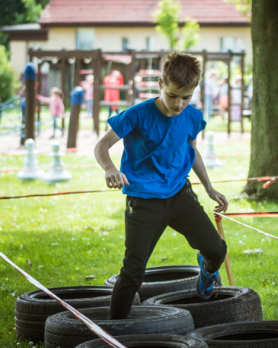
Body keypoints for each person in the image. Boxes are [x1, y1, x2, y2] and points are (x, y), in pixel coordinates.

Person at [94, 51, 229, 319]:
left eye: (186, 97)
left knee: (217, 250)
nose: (179, 104)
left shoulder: (192, 116)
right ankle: (115, 335)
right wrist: (110, 168)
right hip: (143, 201)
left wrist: (209, 188)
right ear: (160, 84)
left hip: (180, 194)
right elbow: (101, 146)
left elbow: (192, 152)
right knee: (133, 273)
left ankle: (205, 271)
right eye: (173, 95)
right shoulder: (137, 114)